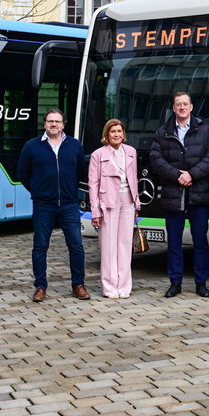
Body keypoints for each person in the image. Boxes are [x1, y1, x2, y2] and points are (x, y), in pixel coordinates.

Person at [149, 91, 209, 298]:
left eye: (185, 104)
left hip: (198, 193)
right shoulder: (163, 131)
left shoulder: (205, 131)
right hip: (173, 193)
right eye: (178, 104)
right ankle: (175, 282)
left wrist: (192, 175)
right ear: (173, 108)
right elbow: (155, 158)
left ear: (191, 107)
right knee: (174, 243)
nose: (182, 107)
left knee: (200, 241)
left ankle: (201, 283)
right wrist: (177, 175)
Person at [17, 109, 89, 302]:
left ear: (63, 125)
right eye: (50, 121)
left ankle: (78, 285)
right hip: (44, 205)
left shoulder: (74, 145)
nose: (54, 125)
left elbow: (81, 172)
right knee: (40, 246)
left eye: (57, 121)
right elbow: (22, 173)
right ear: (45, 124)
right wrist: (37, 190)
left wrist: (71, 190)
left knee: (76, 246)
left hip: (68, 204)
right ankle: (40, 286)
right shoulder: (32, 146)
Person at [88, 119, 139, 298]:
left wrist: (137, 204)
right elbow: (92, 185)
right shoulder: (97, 155)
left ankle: (124, 287)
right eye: (113, 131)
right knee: (108, 247)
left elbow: (134, 179)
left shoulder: (131, 152)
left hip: (128, 202)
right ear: (106, 135)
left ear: (123, 134)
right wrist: (95, 212)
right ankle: (109, 288)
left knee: (125, 245)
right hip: (107, 203)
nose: (116, 134)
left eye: (119, 131)